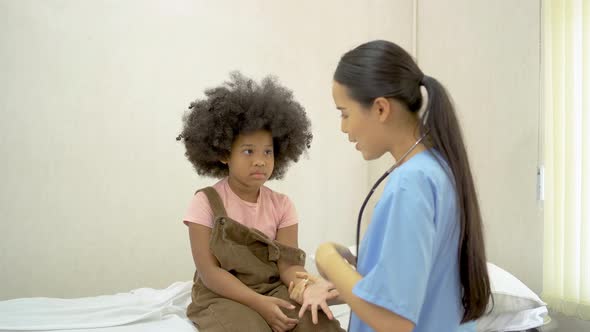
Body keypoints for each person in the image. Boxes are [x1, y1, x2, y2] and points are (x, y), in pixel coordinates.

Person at [314, 40, 492, 332]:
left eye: (344, 113)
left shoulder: (411, 183)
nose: (343, 128)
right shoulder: (437, 170)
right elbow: (421, 276)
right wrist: (356, 263)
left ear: (381, 109)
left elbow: (393, 320)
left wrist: (327, 256)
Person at [177, 72, 345, 332]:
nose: (260, 160)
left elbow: (289, 266)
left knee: (319, 323)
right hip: (220, 295)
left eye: (268, 151)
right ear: (223, 154)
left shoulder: (282, 205)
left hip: (273, 287)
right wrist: (259, 304)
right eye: (248, 151)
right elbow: (210, 273)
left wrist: (304, 288)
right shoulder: (205, 203)